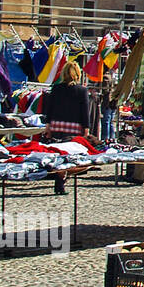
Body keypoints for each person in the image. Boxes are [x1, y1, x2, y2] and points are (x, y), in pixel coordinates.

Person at [44, 61, 93, 196]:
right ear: (78, 74)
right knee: (70, 156)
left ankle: (60, 178)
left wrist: (48, 126)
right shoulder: (82, 90)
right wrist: (86, 128)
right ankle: (62, 179)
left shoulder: (56, 88)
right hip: (74, 128)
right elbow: (85, 112)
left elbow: (50, 109)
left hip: (57, 126)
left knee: (59, 154)